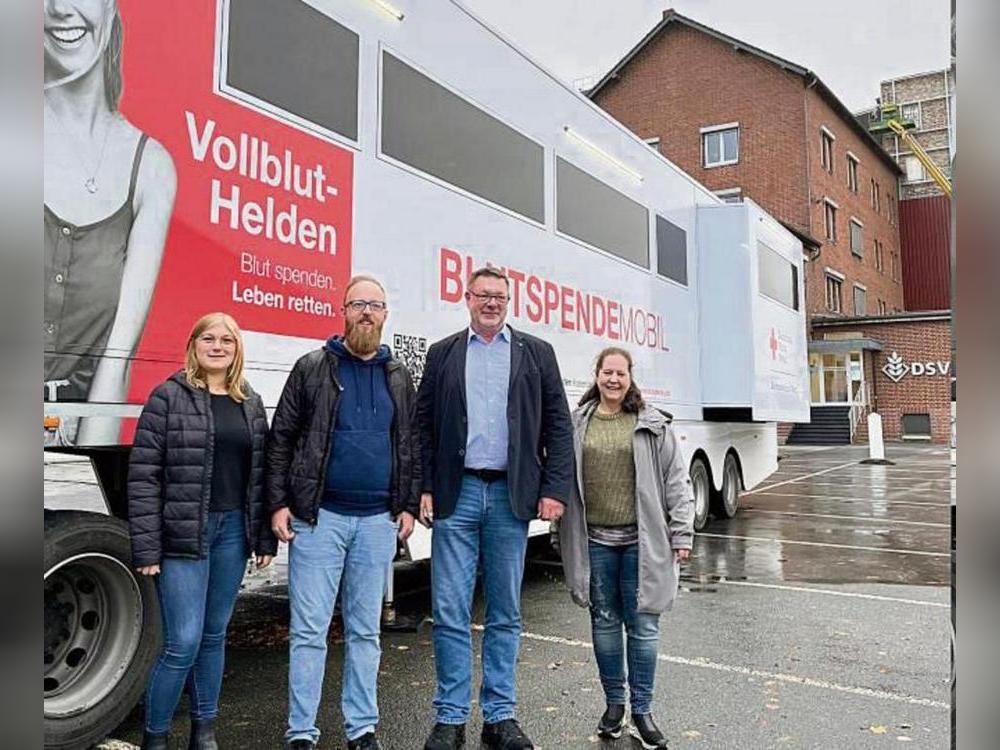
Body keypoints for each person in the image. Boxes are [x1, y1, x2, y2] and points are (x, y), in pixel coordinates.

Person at [416, 266, 574, 750]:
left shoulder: (535, 353)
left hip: (511, 496)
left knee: (505, 609)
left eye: (499, 296)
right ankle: (450, 717)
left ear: (510, 301)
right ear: (466, 299)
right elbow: (422, 427)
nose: (491, 303)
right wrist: (422, 486)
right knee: (449, 609)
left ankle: (500, 716)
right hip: (456, 495)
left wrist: (554, 489)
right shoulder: (442, 353)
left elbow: (559, 427)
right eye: (482, 295)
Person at [266, 274, 421, 750]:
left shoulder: (398, 376)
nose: (367, 313)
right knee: (309, 633)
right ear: (343, 311)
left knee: (364, 633)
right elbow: (281, 440)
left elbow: (410, 445)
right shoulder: (312, 367)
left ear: (385, 315)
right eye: (358, 304)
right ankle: (301, 732)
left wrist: (408, 505)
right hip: (318, 521)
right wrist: (278, 503)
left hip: (377, 523)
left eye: (375, 305)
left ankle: (362, 729)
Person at [128, 313, 276, 750]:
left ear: (237, 348)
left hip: (233, 533)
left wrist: (262, 537)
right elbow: (143, 477)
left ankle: (204, 731)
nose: (217, 346)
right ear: (193, 345)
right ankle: (155, 738)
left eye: (226, 340)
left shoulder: (249, 401)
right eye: (208, 338)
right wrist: (147, 547)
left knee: (214, 635)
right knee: (183, 642)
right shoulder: (167, 398)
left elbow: (262, 475)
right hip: (182, 534)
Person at [44, 0, 177, 444]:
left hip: (70, 439)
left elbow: (116, 360)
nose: (60, 8)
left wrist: (80, 481)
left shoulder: (151, 168)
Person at [558, 347, 694, 750]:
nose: (613, 379)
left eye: (620, 373)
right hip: (595, 542)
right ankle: (614, 706)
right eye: (607, 372)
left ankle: (643, 711)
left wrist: (681, 533)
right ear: (596, 375)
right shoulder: (577, 423)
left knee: (644, 626)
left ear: (630, 377)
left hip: (642, 542)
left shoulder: (651, 424)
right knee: (603, 624)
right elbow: (561, 471)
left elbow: (677, 480)